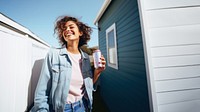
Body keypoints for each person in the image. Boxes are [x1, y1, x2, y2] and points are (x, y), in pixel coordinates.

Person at [30, 16, 106, 112]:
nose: (67, 30)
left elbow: (88, 86)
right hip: (61, 109)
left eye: (71, 27)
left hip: (83, 106)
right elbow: (42, 91)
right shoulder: (53, 54)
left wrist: (97, 72)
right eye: (64, 29)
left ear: (80, 32)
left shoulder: (86, 58)